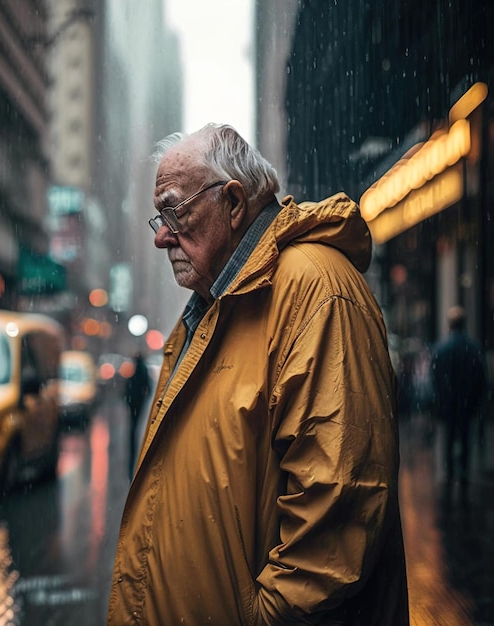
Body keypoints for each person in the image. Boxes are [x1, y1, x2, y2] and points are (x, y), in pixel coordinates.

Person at [107, 124, 409, 625]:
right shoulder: (207, 312)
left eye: (174, 211)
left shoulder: (316, 292)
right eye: (157, 218)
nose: (161, 237)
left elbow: (335, 526)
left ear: (232, 203)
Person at [430, 305, 488, 486]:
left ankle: (449, 475)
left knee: (448, 439)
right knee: (465, 440)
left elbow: (435, 379)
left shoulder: (441, 349)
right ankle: (463, 475)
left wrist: (439, 400)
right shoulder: (474, 348)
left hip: (448, 405)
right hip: (467, 404)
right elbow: (481, 378)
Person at [124, 351, 152, 476]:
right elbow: (148, 388)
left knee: (133, 425)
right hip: (137, 402)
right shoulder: (141, 369)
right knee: (135, 424)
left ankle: (132, 438)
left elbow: (129, 386)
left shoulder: (136, 369)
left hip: (134, 402)